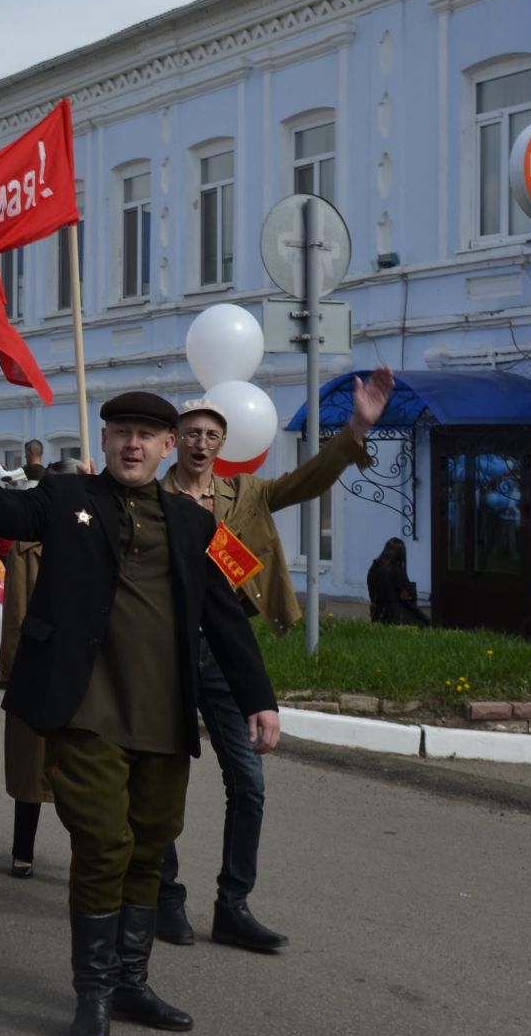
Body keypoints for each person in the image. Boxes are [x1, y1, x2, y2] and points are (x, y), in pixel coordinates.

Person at [0, 389, 277, 1036]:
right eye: (122, 432)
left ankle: (130, 983)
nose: (133, 445)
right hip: (84, 707)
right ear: (106, 438)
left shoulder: (193, 524)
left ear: (168, 447)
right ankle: (92, 990)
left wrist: (259, 698)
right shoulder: (65, 500)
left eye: (148, 435)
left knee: (149, 843)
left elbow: (228, 618)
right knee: (105, 842)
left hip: (162, 712)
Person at [154, 366, 393, 953]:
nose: (200, 443)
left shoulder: (249, 494)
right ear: (173, 441)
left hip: (227, 653)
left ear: (222, 444)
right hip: (162, 651)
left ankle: (233, 905)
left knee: (250, 784)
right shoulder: (149, 498)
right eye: (190, 433)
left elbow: (309, 481)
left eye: (211, 435)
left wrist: (356, 428)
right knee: (161, 781)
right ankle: (163, 897)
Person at [0, 456, 82, 879]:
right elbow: (15, 611)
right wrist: (12, 671)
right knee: (31, 766)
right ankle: (22, 850)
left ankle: (83, 852)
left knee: (81, 767)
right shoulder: (28, 545)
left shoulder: (99, 533)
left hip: (87, 664)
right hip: (40, 662)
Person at [368, 537, 430, 627]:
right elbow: (409, 599)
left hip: (378, 616)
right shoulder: (396, 572)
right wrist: (426, 620)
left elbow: (372, 594)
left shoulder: (373, 569)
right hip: (397, 618)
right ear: (400, 555)